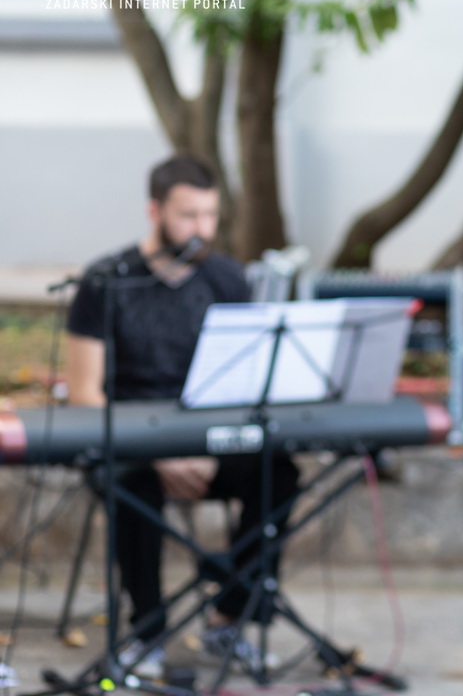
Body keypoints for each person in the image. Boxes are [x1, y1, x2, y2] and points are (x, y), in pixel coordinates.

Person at [65, 154, 300, 678]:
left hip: (209, 441)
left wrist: (208, 447)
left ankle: (229, 618)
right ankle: (147, 630)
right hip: (130, 444)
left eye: (211, 216)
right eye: (188, 216)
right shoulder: (107, 281)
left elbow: (244, 385)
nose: (202, 230)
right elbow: (85, 393)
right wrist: (162, 450)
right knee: (131, 487)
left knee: (279, 473)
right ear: (155, 211)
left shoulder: (226, 279)